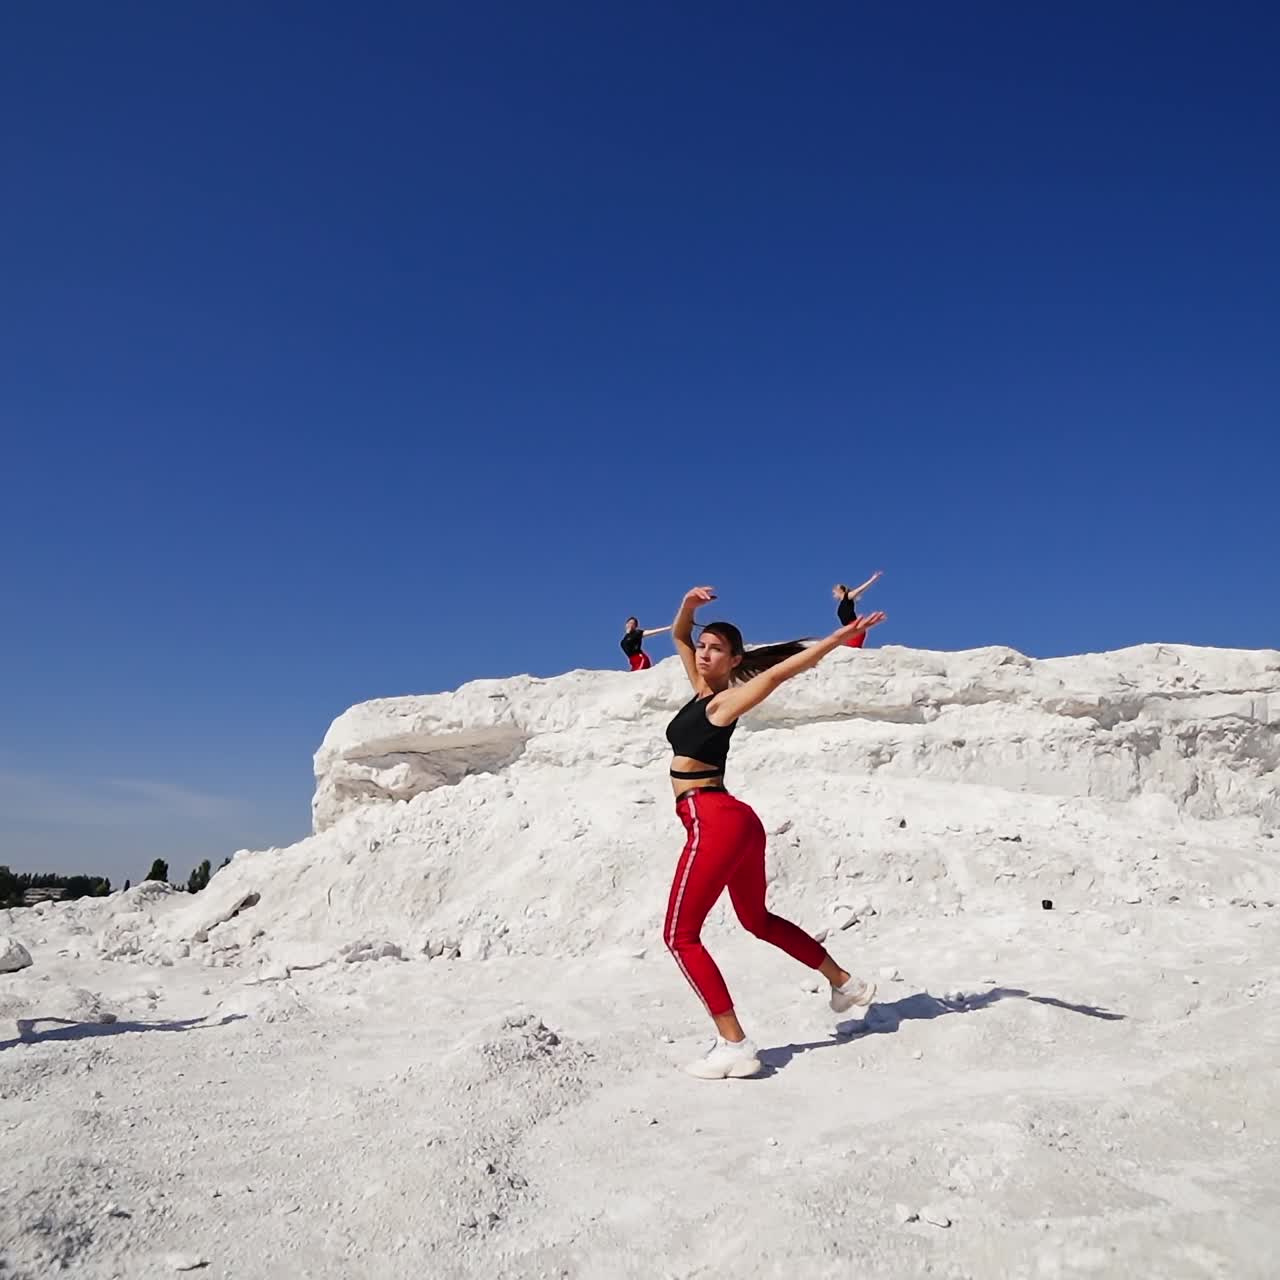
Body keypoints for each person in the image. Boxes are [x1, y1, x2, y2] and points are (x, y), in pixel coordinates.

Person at [664, 585, 887, 1079]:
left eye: (715, 648)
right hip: (737, 821)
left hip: (712, 817)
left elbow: (784, 671)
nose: (702, 651)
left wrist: (836, 639)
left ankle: (734, 1044)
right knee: (757, 920)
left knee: (680, 935)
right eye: (703, 645)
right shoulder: (700, 692)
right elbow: (680, 636)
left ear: (734, 660)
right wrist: (689, 608)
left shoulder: (724, 703)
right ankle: (844, 984)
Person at [833, 570, 883, 648]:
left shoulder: (848, 596)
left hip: (855, 628)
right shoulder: (842, 603)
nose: (833, 595)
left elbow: (860, 590)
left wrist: (873, 578)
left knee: (853, 650)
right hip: (849, 629)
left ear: (840, 591)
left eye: (834, 593)